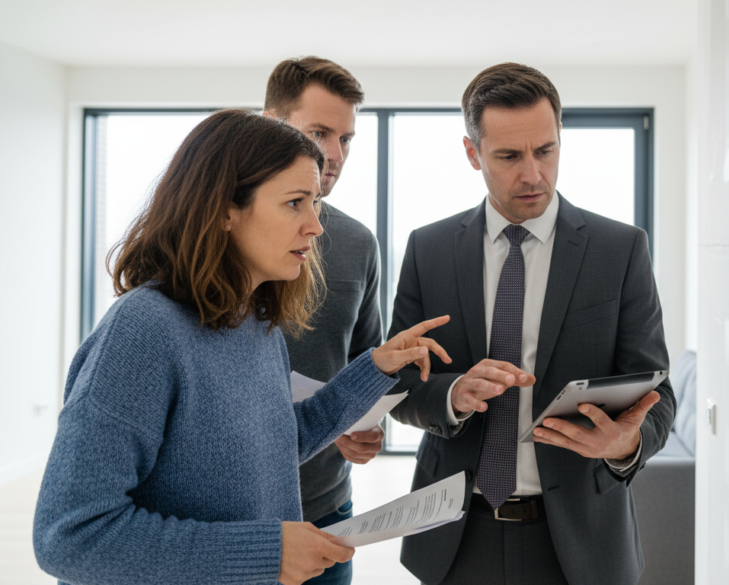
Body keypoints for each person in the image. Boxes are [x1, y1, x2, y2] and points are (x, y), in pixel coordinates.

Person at [33, 109, 451, 585]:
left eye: (314, 202)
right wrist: (267, 553)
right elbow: (69, 536)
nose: (316, 226)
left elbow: (273, 447)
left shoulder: (255, 321)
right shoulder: (142, 333)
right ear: (226, 210)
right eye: (295, 203)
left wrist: (373, 367)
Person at [387, 63, 676, 585]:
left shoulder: (620, 250)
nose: (533, 174)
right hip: (455, 537)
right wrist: (452, 396)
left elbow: (659, 396)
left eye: (545, 151)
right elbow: (399, 387)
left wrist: (624, 446)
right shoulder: (427, 250)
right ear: (472, 154)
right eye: (509, 156)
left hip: (581, 544)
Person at [263, 56, 382, 585]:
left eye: (346, 139)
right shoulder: (209, 246)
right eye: (318, 133)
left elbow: (366, 362)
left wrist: (363, 424)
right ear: (269, 123)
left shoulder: (357, 244)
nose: (333, 155)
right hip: (233, 521)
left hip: (326, 508)